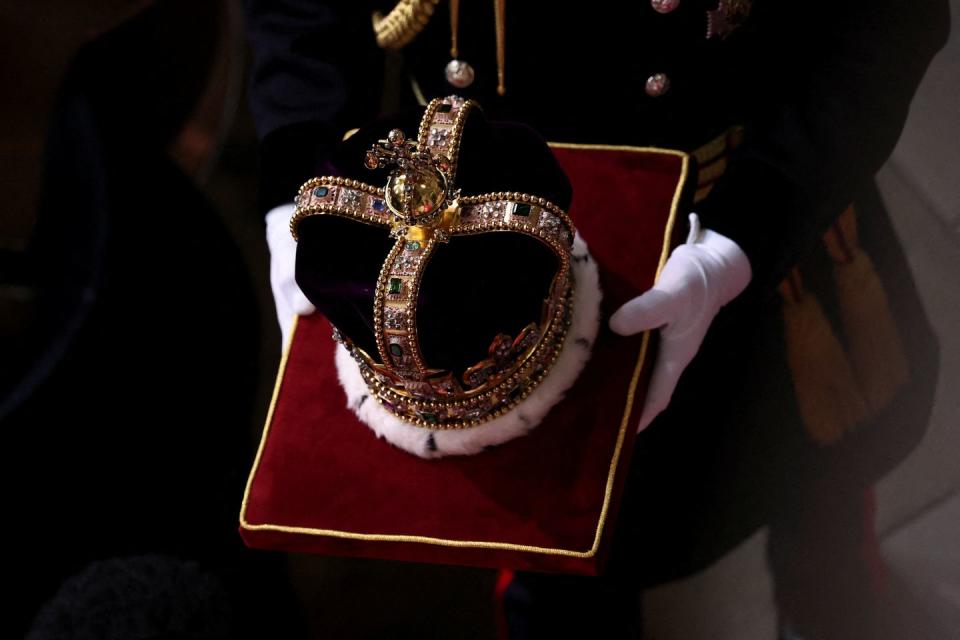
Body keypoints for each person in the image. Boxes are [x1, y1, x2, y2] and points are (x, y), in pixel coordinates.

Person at [244, 1, 949, 637]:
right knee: (561, 585)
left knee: (816, 498)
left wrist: (751, 229)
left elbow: (886, 25)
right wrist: (298, 176)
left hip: (741, 213)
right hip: (475, 285)